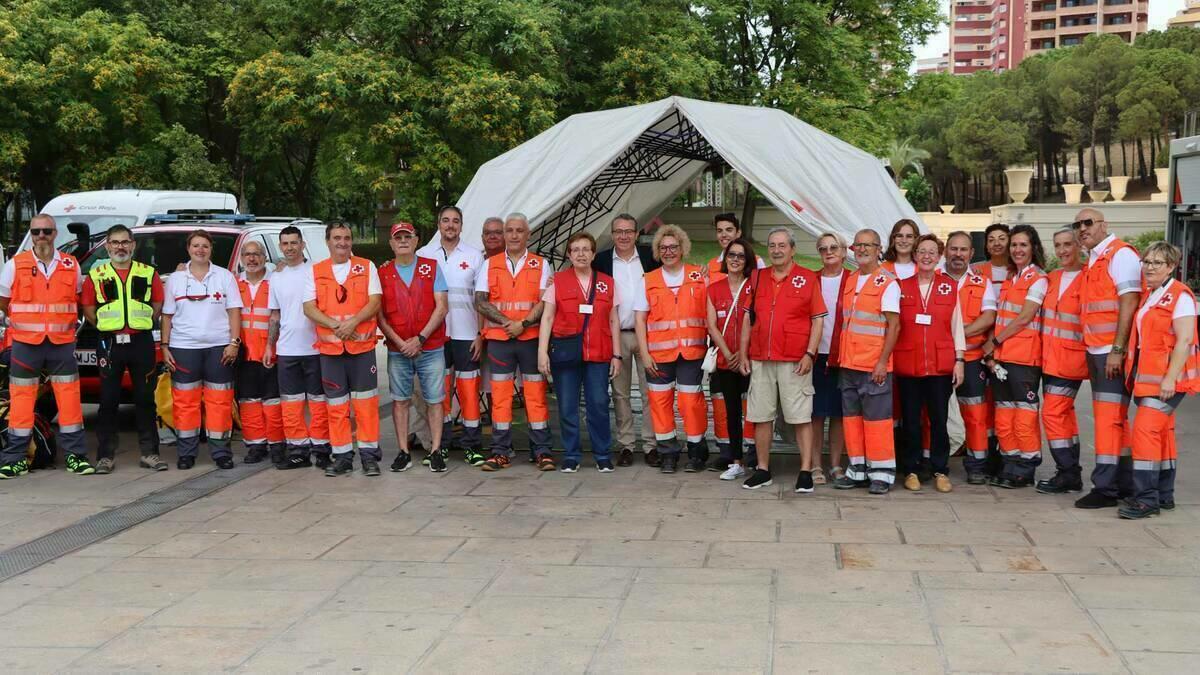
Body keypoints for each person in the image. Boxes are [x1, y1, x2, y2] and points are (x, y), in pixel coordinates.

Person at [0, 213, 90, 478]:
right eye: (36, 231)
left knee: (70, 401)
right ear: (31, 234)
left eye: (46, 231)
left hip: (61, 344)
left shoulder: (70, 264)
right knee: (21, 402)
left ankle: (76, 456)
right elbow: (3, 300)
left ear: (55, 234)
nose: (41, 236)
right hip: (26, 344)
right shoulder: (16, 264)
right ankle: (15, 459)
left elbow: (76, 298)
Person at [738, 228, 825, 491]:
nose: (777, 250)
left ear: (792, 249)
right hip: (761, 359)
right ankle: (763, 469)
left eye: (782, 245)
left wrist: (810, 353)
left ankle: (806, 471)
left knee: (800, 416)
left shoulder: (808, 278)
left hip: (794, 359)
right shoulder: (757, 277)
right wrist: (743, 353)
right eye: (772, 245)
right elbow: (746, 319)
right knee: (761, 415)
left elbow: (818, 320)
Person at [1121, 242, 1199, 519]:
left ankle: (1145, 499)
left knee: (1144, 432)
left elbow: (1185, 340)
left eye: (1157, 263)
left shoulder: (1180, 296)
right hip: (1147, 379)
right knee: (1162, 435)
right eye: (1147, 262)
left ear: (1171, 267)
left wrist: (1169, 378)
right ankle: (1163, 495)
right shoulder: (1151, 295)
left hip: (1166, 381)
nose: (1150, 267)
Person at [82, 224, 165, 473]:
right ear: (107, 246)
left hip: (141, 341)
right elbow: (88, 308)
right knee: (108, 401)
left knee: (145, 399)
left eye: (125, 242)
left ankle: (150, 453)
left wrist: (142, 323)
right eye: (115, 242)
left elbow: (158, 302)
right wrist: (108, 328)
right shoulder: (96, 276)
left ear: (133, 245)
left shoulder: (148, 273)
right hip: (109, 343)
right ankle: (105, 456)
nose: (120, 247)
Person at [302, 222, 383, 476]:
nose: (343, 242)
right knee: (336, 407)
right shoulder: (315, 271)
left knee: (366, 405)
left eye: (347, 237)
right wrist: (337, 326)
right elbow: (309, 307)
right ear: (328, 241)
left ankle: (369, 457)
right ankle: (342, 457)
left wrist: (353, 323)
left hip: (361, 348)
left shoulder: (366, 266)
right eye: (337, 238)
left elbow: (375, 301)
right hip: (331, 352)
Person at [474, 213, 553, 471]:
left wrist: (523, 324)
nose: (515, 235)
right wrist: (510, 323)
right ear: (505, 234)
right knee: (500, 397)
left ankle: (541, 451)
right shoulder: (490, 264)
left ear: (528, 234)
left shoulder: (542, 264)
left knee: (536, 396)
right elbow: (480, 301)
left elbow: (545, 302)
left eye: (520, 230)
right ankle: (500, 452)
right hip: (500, 339)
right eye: (510, 230)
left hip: (530, 339)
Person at [1074, 208, 1142, 509]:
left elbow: (1129, 302)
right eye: (1078, 224)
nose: (1082, 228)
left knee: (1107, 421)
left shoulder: (1120, 255)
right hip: (1097, 350)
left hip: (1109, 353)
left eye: (1088, 223)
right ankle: (1124, 484)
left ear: (1104, 225)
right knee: (1115, 422)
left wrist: (1118, 349)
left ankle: (1105, 488)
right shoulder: (1095, 259)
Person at [538, 232, 621, 472]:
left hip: (598, 354)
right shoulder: (559, 282)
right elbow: (548, 318)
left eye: (586, 249)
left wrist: (617, 355)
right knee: (567, 405)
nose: (581, 254)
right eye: (576, 249)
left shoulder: (607, 282)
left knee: (599, 403)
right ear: (569, 255)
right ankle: (572, 454)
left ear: (594, 254)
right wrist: (542, 353)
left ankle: (602, 454)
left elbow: (614, 320)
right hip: (566, 353)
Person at [161, 229, 242, 470]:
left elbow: (234, 310)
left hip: (219, 347)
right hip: (183, 347)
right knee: (185, 402)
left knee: (220, 401)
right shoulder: (175, 279)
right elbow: (166, 316)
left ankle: (220, 452)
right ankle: (186, 453)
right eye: (196, 246)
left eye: (205, 246)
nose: (200, 250)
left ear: (211, 249)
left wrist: (234, 342)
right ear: (188, 249)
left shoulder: (224, 276)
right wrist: (165, 346)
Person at [634, 224, 709, 473]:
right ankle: (668, 453)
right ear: (657, 251)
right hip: (658, 355)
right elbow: (639, 319)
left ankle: (697, 451)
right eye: (663, 247)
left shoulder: (700, 276)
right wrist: (644, 354)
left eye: (673, 247)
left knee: (691, 403)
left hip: (692, 354)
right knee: (660, 403)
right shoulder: (648, 280)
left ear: (682, 248)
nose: (668, 251)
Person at [895, 235, 964, 493]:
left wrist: (959, 360)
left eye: (931, 252)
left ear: (939, 257)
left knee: (939, 419)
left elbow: (957, 326)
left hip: (940, 364)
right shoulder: (901, 286)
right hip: (909, 364)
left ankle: (940, 469)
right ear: (915, 255)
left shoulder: (949, 286)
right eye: (921, 251)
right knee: (911, 420)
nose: (926, 256)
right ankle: (911, 469)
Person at [417, 206, 485, 466]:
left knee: (469, 392)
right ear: (438, 224)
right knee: (439, 393)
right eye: (446, 221)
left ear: (461, 225)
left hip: (467, 335)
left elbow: (481, 300)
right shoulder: (424, 255)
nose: (450, 225)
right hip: (436, 337)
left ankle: (472, 446)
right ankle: (440, 446)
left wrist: (480, 334)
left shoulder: (474, 256)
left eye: (455, 221)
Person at [833, 229, 899, 494]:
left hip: (874, 366)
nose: (861, 250)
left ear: (878, 248)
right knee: (852, 420)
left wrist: (883, 362)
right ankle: (857, 469)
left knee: (877, 422)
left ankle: (881, 473)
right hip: (848, 364)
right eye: (857, 245)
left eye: (867, 245)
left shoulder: (888, 282)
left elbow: (894, 327)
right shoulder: (850, 279)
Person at [380, 222, 449, 472]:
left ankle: (436, 450)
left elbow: (441, 307)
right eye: (397, 237)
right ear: (391, 243)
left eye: (407, 236)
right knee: (400, 400)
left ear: (416, 240)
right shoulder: (383, 273)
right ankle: (403, 451)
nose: (403, 241)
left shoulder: (431, 268)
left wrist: (419, 339)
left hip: (429, 347)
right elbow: (380, 316)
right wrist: (401, 343)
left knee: (434, 399)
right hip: (398, 350)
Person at [593, 213, 661, 467]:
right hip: (616, 336)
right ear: (612, 234)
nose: (623, 236)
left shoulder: (650, 257)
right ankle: (626, 446)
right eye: (619, 231)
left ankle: (652, 445)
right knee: (620, 394)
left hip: (648, 336)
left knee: (650, 392)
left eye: (628, 231)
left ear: (637, 233)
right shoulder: (600, 261)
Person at [984, 224, 1047, 489]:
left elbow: (1025, 318)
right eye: (1014, 245)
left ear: (1033, 248)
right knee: (1004, 416)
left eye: (1023, 245)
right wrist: (995, 353)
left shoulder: (1038, 279)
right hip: (1003, 358)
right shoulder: (1012, 278)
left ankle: (1026, 467)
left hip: (1024, 358)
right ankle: (1010, 465)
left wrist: (994, 341)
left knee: (1024, 417)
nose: (1017, 249)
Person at [267, 226, 332, 470]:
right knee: (291, 405)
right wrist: (268, 346)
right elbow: (275, 315)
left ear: (302, 245)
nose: (290, 248)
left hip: (316, 348)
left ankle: (322, 449)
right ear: (280, 247)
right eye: (285, 244)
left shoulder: (316, 270)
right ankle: (298, 451)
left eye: (294, 243)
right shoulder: (277, 276)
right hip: (286, 350)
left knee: (318, 403)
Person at [942, 231, 999, 485]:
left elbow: (988, 317)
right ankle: (935, 461)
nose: (958, 254)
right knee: (934, 413)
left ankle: (977, 465)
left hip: (973, 357)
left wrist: (958, 335)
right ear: (945, 251)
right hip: (938, 358)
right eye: (953, 249)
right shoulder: (934, 278)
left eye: (963, 250)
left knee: (975, 413)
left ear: (971, 254)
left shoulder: (981, 282)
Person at [1036, 228, 1088, 494]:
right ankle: (1071, 473)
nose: (1063, 250)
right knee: (1064, 415)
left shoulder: (1089, 277)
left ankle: (1067, 471)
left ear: (1078, 245)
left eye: (1068, 244)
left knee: (1052, 413)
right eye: (1058, 245)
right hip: (1047, 358)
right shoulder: (1052, 278)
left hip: (1071, 359)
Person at [705, 237, 756, 480]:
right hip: (726, 361)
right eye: (731, 255)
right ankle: (736, 461)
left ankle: (757, 456)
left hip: (752, 359)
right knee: (732, 410)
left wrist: (744, 353)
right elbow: (712, 326)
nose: (735, 259)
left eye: (740, 256)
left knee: (757, 410)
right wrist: (728, 354)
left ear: (747, 261)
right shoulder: (714, 288)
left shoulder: (755, 286)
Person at [235, 241, 285, 466]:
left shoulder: (275, 282)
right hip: (244, 354)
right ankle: (256, 445)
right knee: (248, 402)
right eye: (247, 254)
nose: (252, 259)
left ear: (265, 258)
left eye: (256, 254)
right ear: (241, 259)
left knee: (273, 402)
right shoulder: (234, 284)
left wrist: (271, 348)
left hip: (271, 352)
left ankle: (277, 445)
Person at [814, 232, 852, 485]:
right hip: (816, 355)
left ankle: (836, 464)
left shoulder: (854, 280)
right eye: (823, 248)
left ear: (844, 251)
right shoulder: (810, 279)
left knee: (839, 413)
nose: (829, 252)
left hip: (846, 355)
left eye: (834, 247)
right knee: (815, 413)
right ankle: (815, 464)